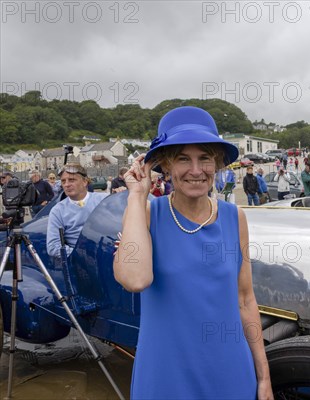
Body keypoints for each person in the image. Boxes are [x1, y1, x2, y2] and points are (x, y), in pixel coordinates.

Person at [113, 106, 272, 399]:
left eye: (205, 159)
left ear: (217, 165)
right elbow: (134, 280)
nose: (196, 170)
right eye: (183, 159)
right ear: (166, 166)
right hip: (166, 374)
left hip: (229, 370)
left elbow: (246, 299)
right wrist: (137, 195)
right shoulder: (147, 214)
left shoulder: (234, 217)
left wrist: (263, 377)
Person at [46, 163, 108, 259]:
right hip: (82, 263)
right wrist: (82, 256)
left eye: (72, 180)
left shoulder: (104, 200)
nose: (66, 184)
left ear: (85, 182)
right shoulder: (57, 211)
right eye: (63, 181)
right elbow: (53, 247)